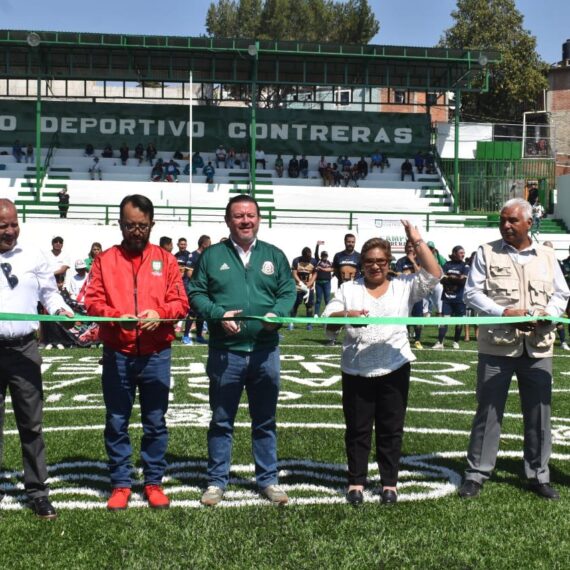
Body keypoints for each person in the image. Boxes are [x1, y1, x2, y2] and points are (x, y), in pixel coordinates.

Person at [457, 198, 570, 501]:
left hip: (538, 347)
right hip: (497, 346)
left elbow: (562, 293)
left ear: (529, 223)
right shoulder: (486, 252)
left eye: (512, 221)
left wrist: (548, 312)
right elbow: (471, 293)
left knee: (539, 414)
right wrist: (501, 312)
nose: (505, 225)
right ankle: (477, 473)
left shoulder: (547, 255)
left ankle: (538, 475)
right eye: (502, 220)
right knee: (488, 411)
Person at [188, 194, 296, 507]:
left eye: (250, 215)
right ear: (228, 220)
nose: (245, 220)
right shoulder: (211, 256)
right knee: (221, 419)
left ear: (259, 219)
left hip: (265, 352)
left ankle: (268, 479)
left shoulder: (274, 255)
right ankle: (217, 481)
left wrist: (277, 314)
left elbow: (287, 291)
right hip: (226, 352)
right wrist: (216, 313)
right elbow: (196, 292)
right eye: (238, 216)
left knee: (265, 419)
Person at [323, 225, 442, 506]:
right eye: (369, 262)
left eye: (381, 261)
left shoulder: (404, 286)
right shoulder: (348, 288)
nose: (375, 266)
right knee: (357, 428)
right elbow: (328, 317)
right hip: (356, 368)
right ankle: (356, 483)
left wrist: (417, 239)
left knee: (391, 427)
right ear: (361, 264)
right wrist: (346, 314)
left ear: (389, 263)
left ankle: (390, 483)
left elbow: (434, 274)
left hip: (395, 365)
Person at [84, 194, 189, 510]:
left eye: (142, 226)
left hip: (157, 354)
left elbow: (181, 303)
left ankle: (154, 482)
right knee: (117, 420)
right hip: (118, 353)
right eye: (130, 225)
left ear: (152, 225)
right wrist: (116, 317)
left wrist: (161, 313)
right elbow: (92, 302)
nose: (136, 231)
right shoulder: (105, 260)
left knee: (155, 421)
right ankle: (120, 483)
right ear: (120, 224)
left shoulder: (167, 260)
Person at [0, 199, 73, 519]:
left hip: (24, 349)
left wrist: (60, 309)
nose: (10, 230)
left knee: (31, 423)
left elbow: (49, 292)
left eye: (14, 223)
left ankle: (37, 491)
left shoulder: (32, 255)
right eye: (3, 225)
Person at [433, 245, 470, 349]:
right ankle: (440, 342)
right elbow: (442, 280)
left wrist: (450, 278)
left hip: (459, 299)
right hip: (447, 298)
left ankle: (456, 341)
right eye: (460, 253)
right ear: (454, 253)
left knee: (459, 322)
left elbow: (463, 282)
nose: (463, 254)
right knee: (444, 321)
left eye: (464, 252)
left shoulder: (465, 266)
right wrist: (456, 277)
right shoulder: (447, 264)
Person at [395, 239, 426, 349]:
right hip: (404, 293)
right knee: (405, 316)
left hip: (417, 292)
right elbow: (398, 275)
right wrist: (408, 274)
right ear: (405, 248)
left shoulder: (420, 260)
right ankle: (406, 338)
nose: (410, 248)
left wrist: (413, 262)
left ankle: (417, 340)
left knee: (418, 317)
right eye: (408, 247)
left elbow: (420, 274)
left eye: (412, 247)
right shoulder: (400, 261)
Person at [187, 235, 211, 344]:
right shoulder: (193, 256)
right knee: (192, 313)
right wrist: (200, 282)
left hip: (205, 289)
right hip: (195, 288)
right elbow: (188, 273)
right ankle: (185, 335)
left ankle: (199, 336)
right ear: (204, 244)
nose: (210, 245)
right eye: (209, 243)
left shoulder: (208, 256)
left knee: (201, 313)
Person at [289, 247, 318, 331]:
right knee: (295, 305)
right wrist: (300, 282)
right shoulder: (296, 261)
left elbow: (315, 273)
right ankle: (291, 323)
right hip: (298, 287)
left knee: (309, 306)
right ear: (303, 256)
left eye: (310, 257)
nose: (309, 259)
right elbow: (294, 273)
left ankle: (309, 324)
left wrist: (310, 282)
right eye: (307, 258)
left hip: (309, 288)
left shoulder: (313, 261)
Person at [313, 242, 333, 316]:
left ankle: (327, 313)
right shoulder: (318, 261)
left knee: (327, 300)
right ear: (321, 256)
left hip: (327, 283)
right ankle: (316, 314)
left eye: (325, 255)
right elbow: (315, 254)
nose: (324, 257)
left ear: (327, 256)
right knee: (318, 299)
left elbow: (335, 269)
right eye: (323, 255)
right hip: (318, 283)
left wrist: (333, 276)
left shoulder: (330, 263)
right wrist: (317, 245)